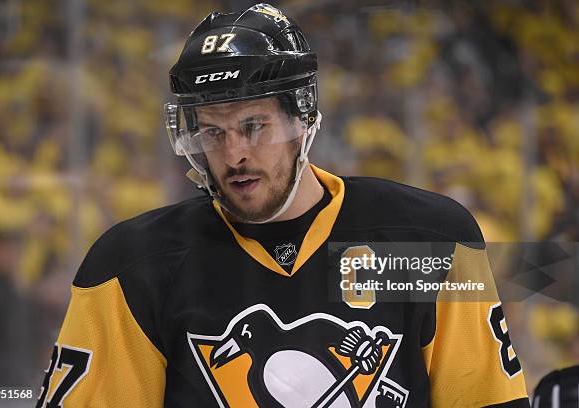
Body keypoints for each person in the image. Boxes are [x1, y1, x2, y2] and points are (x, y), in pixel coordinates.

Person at [36, 4, 529, 407]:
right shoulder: (132, 267)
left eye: (254, 126)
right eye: (213, 132)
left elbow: (484, 397)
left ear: (302, 118)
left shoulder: (424, 241)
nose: (234, 155)